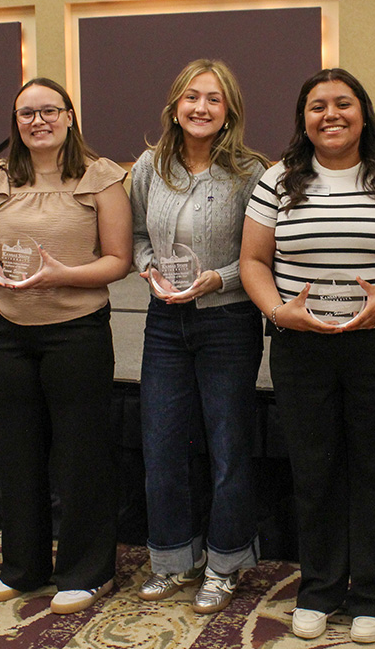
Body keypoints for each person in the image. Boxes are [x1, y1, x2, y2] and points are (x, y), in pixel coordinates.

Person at [241, 68, 375, 644]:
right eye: (317, 105)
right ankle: (320, 588)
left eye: (343, 104)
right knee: (315, 469)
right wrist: (279, 312)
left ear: (363, 112)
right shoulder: (278, 179)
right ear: (303, 118)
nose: (331, 115)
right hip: (303, 346)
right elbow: (253, 260)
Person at [0, 77, 133, 614]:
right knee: (17, 451)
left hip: (76, 331)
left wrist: (65, 274)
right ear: (15, 122)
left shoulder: (102, 177)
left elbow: (119, 260)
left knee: (80, 453)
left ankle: (88, 571)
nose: (37, 121)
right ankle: (23, 565)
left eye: (49, 110)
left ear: (69, 116)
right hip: (8, 332)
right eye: (26, 113)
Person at [130, 59, 269, 614]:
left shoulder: (252, 172)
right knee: (162, 444)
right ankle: (171, 559)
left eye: (213, 99)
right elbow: (138, 235)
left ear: (229, 109)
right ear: (175, 105)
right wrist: (149, 270)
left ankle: (225, 562)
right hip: (165, 320)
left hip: (229, 321)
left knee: (228, 446)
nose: (201, 108)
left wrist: (219, 279)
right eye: (191, 97)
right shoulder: (149, 166)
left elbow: (263, 255)